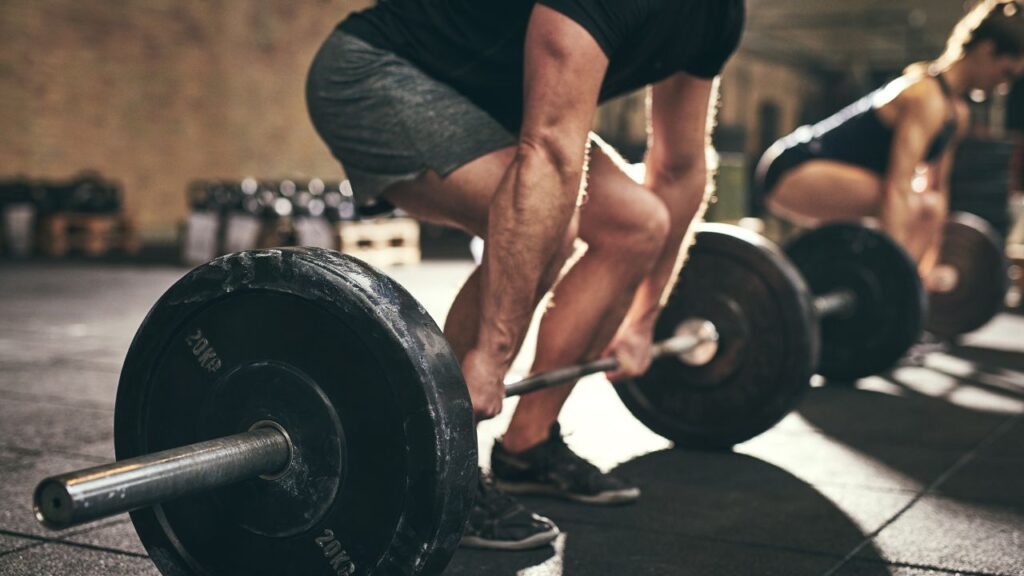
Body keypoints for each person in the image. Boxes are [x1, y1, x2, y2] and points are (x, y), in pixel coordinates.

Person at [307, 0, 744, 550]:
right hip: (377, 73)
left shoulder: (718, 15)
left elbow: (680, 168)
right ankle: (433, 469)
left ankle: (527, 447)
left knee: (638, 223)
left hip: (493, 103)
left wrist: (643, 319)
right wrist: (490, 358)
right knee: (547, 230)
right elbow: (551, 150)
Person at [757, 0, 1024, 289]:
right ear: (987, 51)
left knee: (928, 205)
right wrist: (894, 276)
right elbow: (897, 187)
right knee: (912, 203)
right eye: (1006, 73)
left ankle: (899, 286)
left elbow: (938, 191)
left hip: (838, 179)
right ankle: (891, 286)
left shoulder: (956, 113)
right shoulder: (926, 97)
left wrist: (930, 264)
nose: (1003, 86)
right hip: (791, 170)